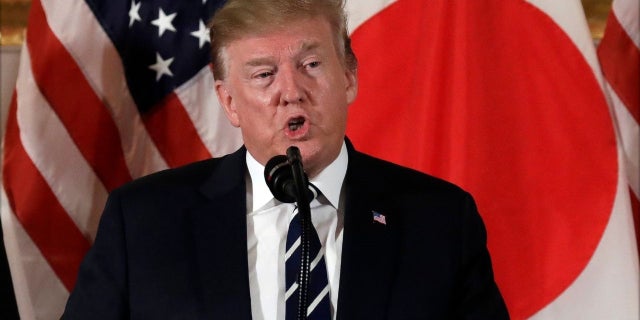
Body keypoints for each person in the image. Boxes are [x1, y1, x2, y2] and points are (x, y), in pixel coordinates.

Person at [62, 0, 509, 319]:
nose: (292, 92)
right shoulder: (143, 221)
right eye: (264, 74)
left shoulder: (440, 220)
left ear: (349, 77)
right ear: (230, 102)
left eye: (311, 65)